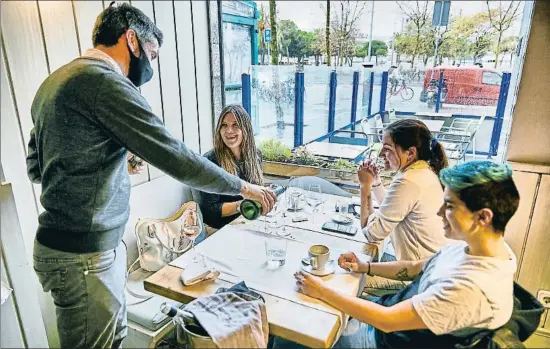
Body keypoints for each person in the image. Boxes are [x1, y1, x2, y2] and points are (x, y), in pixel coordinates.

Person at [28, 3, 275, 348]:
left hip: (60, 247)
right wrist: (243, 187)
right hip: (84, 254)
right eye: (151, 53)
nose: (150, 65)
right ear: (131, 39)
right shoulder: (104, 83)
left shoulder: (52, 83)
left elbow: (36, 168)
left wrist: (111, 154)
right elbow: (176, 157)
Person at [284, 160, 520, 348]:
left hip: (381, 337)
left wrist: (321, 291)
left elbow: (387, 321)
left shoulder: (470, 289)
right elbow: (419, 266)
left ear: (483, 217)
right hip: (388, 312)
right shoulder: (481, 247)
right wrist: (365, 267)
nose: (438, 212)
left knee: (297, 332)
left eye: (449, 206)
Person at [358, 119, 449, 263]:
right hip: (431, 265)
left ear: (410, 153)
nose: (381, 154)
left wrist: (365, 186)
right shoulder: (422, 171)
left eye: (387, 149)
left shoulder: (409, 180)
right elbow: (392, 209)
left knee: (353, 279)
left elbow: (372, 234)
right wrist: (375, 183)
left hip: (419, 278)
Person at [197, 105, 264, 229]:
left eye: (235, 125)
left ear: (246, 129)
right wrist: (243, 205)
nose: (229, 130)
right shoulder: (210, 161)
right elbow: (210, 211)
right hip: (222, 228)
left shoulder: (256, 155)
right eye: (224, 125)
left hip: (249, 222)